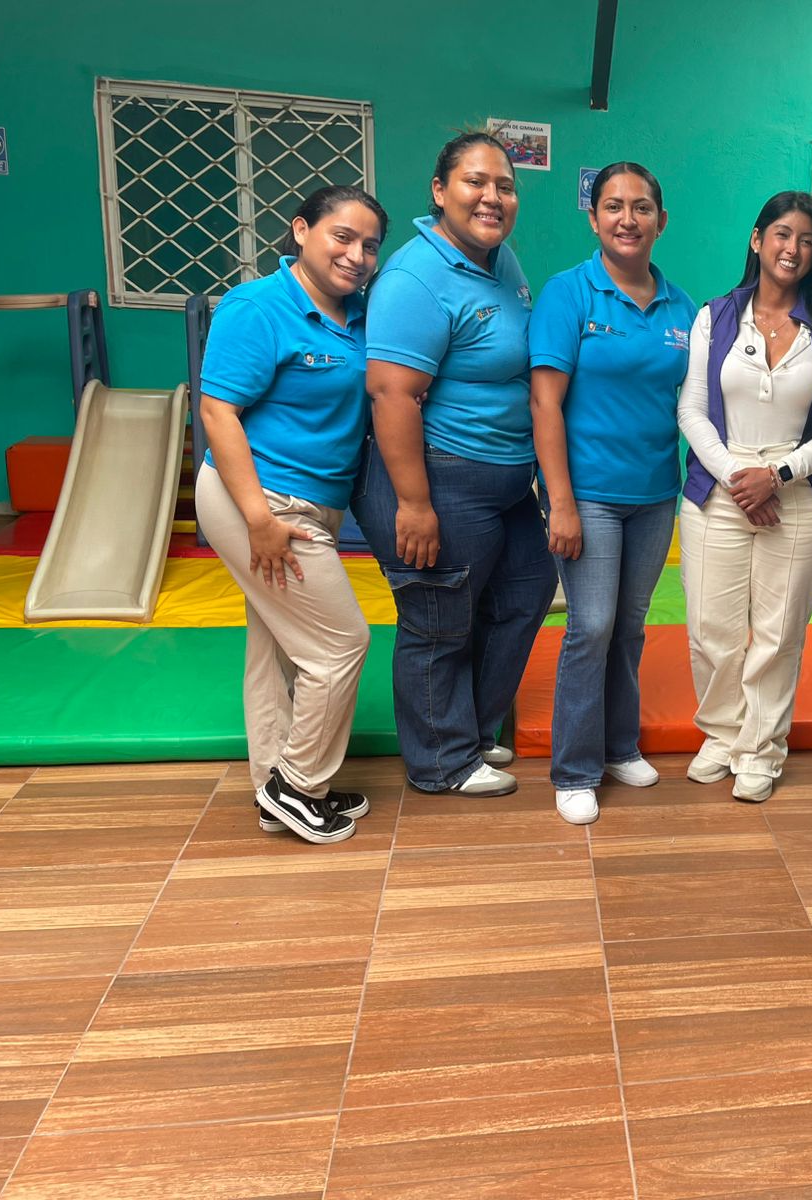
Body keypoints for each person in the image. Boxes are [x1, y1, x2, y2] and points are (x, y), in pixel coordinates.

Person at [357, 132, 557, 798]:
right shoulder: (415, 278)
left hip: (507, 479)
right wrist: (414, 503)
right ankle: (440, 762)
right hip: (441, 476)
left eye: (505, 186)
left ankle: (467, 731)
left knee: (527, 590)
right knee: (440, 620)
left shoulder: (500, 262)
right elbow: (392, 394)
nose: (492, 197)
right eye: (476, 182)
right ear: (440, 191)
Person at [194, 184, 387, 844]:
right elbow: (218, 411)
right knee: (341, 645)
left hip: (314, 501)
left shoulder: (360, 314)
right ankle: (297, 786)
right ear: (302, 230)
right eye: (342, 237)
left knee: (275, 648)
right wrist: (258, 520)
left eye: (369, 246)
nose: (356, 255)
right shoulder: (258, 306)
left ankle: (273, 786)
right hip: (263, 501)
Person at [676, 191, 812, 803]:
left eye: (807, 241)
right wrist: (739, 477)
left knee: (778, 635)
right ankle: (721, 734)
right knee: (711, 629)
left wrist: (776, 475)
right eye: (782, 234)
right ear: (757, 240)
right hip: (718, 490)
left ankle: (760, 748)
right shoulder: (715, 316)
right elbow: (691, 410)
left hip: (799, 495)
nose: (793, 249)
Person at [529, 162, 696, 826]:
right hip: (587, 493)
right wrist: (561, 501)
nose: (628, 218)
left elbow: (693, 402)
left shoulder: (682, 308)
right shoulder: (569, 293)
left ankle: (620, 745)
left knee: (629, 626)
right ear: (594, 217)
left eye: (642, 207)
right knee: (591, 625)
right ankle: (575, 769)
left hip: (655, 494)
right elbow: (545, 402)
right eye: (614, 206)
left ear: (662, 220)